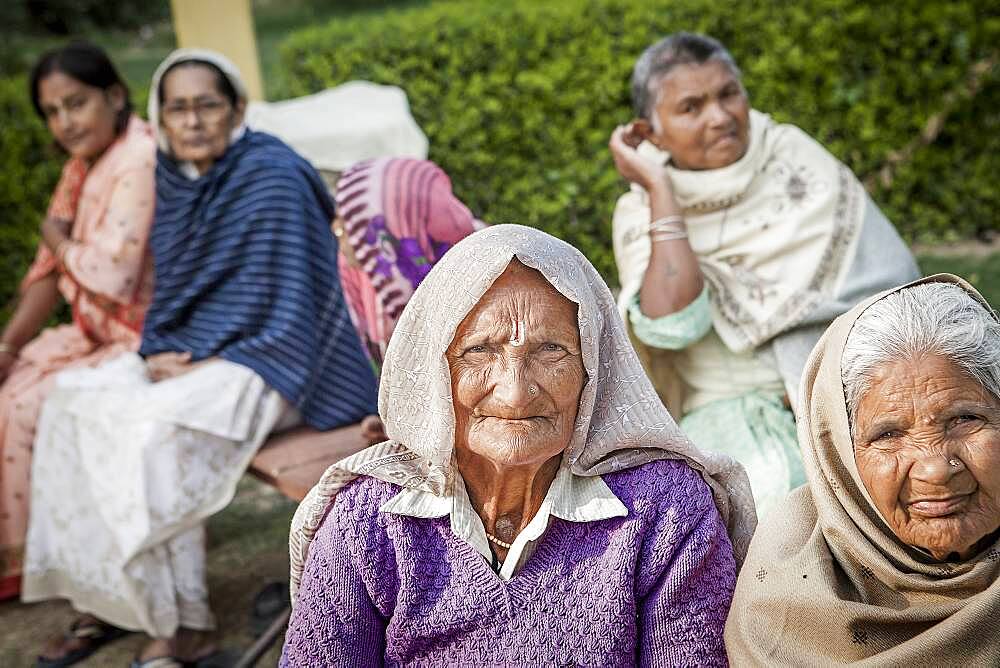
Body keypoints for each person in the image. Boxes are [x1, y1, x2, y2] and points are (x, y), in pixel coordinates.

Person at [23, 49, 377, 667]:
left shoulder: (272, 173)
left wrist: (211, 362)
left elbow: (295, 306)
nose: (191, 121)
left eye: (206, 105)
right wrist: (171, 354)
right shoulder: (175, 179)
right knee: (77, 401)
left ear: (236, 109)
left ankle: (182, 629)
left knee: (155, 437)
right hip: (214, 355)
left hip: (285, 364)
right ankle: (128, 605)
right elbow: (188, 296)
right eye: (177, 108)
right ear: (160, 118)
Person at [280, 224, 756, 666]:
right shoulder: (368, 519)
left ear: (592, 366)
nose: (514, 392)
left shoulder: (667, 508)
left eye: (551, 351)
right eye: (479, 351)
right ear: (435, 370)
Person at [609, 32, 920, 517]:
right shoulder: (640, 211)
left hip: (849, 390)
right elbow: (675, 326)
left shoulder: (791, 155)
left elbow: (888, 282)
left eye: (728, 93)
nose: (720, 116)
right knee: (774, 506)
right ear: (651, 132)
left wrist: (821, 379)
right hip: (726, 414)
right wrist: (659, 188)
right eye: (691, 107)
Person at [725, 274, 1000, 664]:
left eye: (964, 418)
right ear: (838, 456)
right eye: (889, 434)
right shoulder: (788, 591)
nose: (936, 469)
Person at [0, 43, 155, 601]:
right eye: (53, 111)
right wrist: (9, 345)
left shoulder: (138, 157)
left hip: (138, 339)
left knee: (26, 408)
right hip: (93, 335)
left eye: (76, 103)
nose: (65, 122)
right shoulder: (83, 163)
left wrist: (60, 239)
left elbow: (112, 273)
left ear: (114, 96)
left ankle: (64, 572)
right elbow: (49, 265)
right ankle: (37, 563)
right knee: (8, 390)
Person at [333, 157, 484, 443]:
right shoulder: (369, 272)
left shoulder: (485, 272)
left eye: (350, 218)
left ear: (393, 226)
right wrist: (388, 418)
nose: (337, 227)